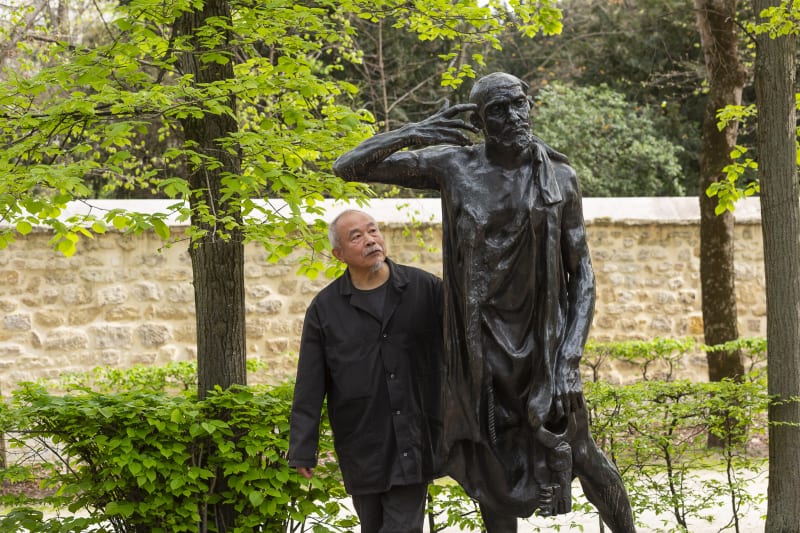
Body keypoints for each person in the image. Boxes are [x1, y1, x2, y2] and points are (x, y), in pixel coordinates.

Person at [332, 72, 636, 533]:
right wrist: (415, 132)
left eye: (518, 104)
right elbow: (349, 166)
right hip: (481, 351)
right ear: (479, 119)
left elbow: (583, 274)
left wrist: (569, 357)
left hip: (543, 345)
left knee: (582, 452)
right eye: (498, 110)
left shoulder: (559, 177)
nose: (513, 116)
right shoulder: (455, 166)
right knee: (494, 465)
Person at [287, 209, 445, 533]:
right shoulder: (324, 310)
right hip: (362, 443)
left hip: (413, 438)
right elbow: (310, 384)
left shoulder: (425, 289)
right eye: (356, 236)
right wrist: (303, 448)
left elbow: (464, 342)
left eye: (372, 231)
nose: (370, 240)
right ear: (339, 254)